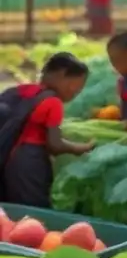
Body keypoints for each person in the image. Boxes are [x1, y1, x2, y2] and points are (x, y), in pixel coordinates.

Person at [0, 52, 93, 207]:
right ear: (62, 75)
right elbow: (54, 145)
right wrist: (79, 148)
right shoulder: (53, 102)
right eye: (75, 87)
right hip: (29, 164)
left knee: (12, 210)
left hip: (8, 161)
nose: (74, 94)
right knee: (34, 211)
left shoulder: (24, 91)